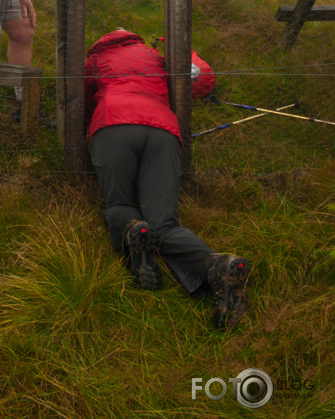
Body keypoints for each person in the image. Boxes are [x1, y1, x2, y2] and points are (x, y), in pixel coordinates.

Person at [84, 29, 251, 330]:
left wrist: (86, 134)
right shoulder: (155, 57)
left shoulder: (95, 59)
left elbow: (78, 104)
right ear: (134, 40)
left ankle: (134, 231)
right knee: (165, 222)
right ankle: (217, 266)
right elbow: (197, 80)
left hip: (113, 122)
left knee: (119, 202)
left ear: (103, 42)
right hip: (162, 129)